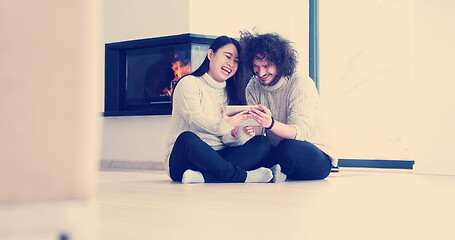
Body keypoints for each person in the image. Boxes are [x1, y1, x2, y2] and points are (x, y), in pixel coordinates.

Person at [164, 36, 273, 184]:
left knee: (262, 143)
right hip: (187, 159)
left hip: (218, 157)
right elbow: (196, 121)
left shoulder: (232, 92)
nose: (231, 64)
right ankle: (242, 176)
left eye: (236, 61)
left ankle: (204, 177)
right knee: (186, 138)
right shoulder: (188, 83)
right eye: (227, 56)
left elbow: (226, 138)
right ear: (210, 55)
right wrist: (226, 124)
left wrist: (239, 134)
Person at [239, 31, 338, 182]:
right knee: (259, 146)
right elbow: (259, 133)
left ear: (280, 63)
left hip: (314, 154)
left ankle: (272, 171)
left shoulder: (300, 83)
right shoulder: (253, 86)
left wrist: (270, 123)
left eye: (267, 66)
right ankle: (275, 172)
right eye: (256, 67)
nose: (261, 73)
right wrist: (250, 129)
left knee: (288, 149)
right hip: (278, 150)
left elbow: (299, 133)